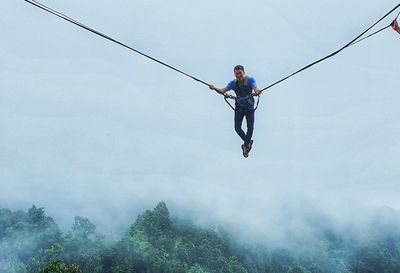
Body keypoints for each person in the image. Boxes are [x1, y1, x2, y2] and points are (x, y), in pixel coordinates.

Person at [209, 65, 261, 158]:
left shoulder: (250, 80)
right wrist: (215, 88)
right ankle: (248, 142)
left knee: (250, 127)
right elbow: (223, 91)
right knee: (237, 128)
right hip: (239, 107)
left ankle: (245, 146)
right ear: (234, 74)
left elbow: (255, 88)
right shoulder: (233, 83)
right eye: (236, 73)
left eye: (240, 73)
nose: (238, 75)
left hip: (249, 108)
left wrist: (257, 91)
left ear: (244, 72)